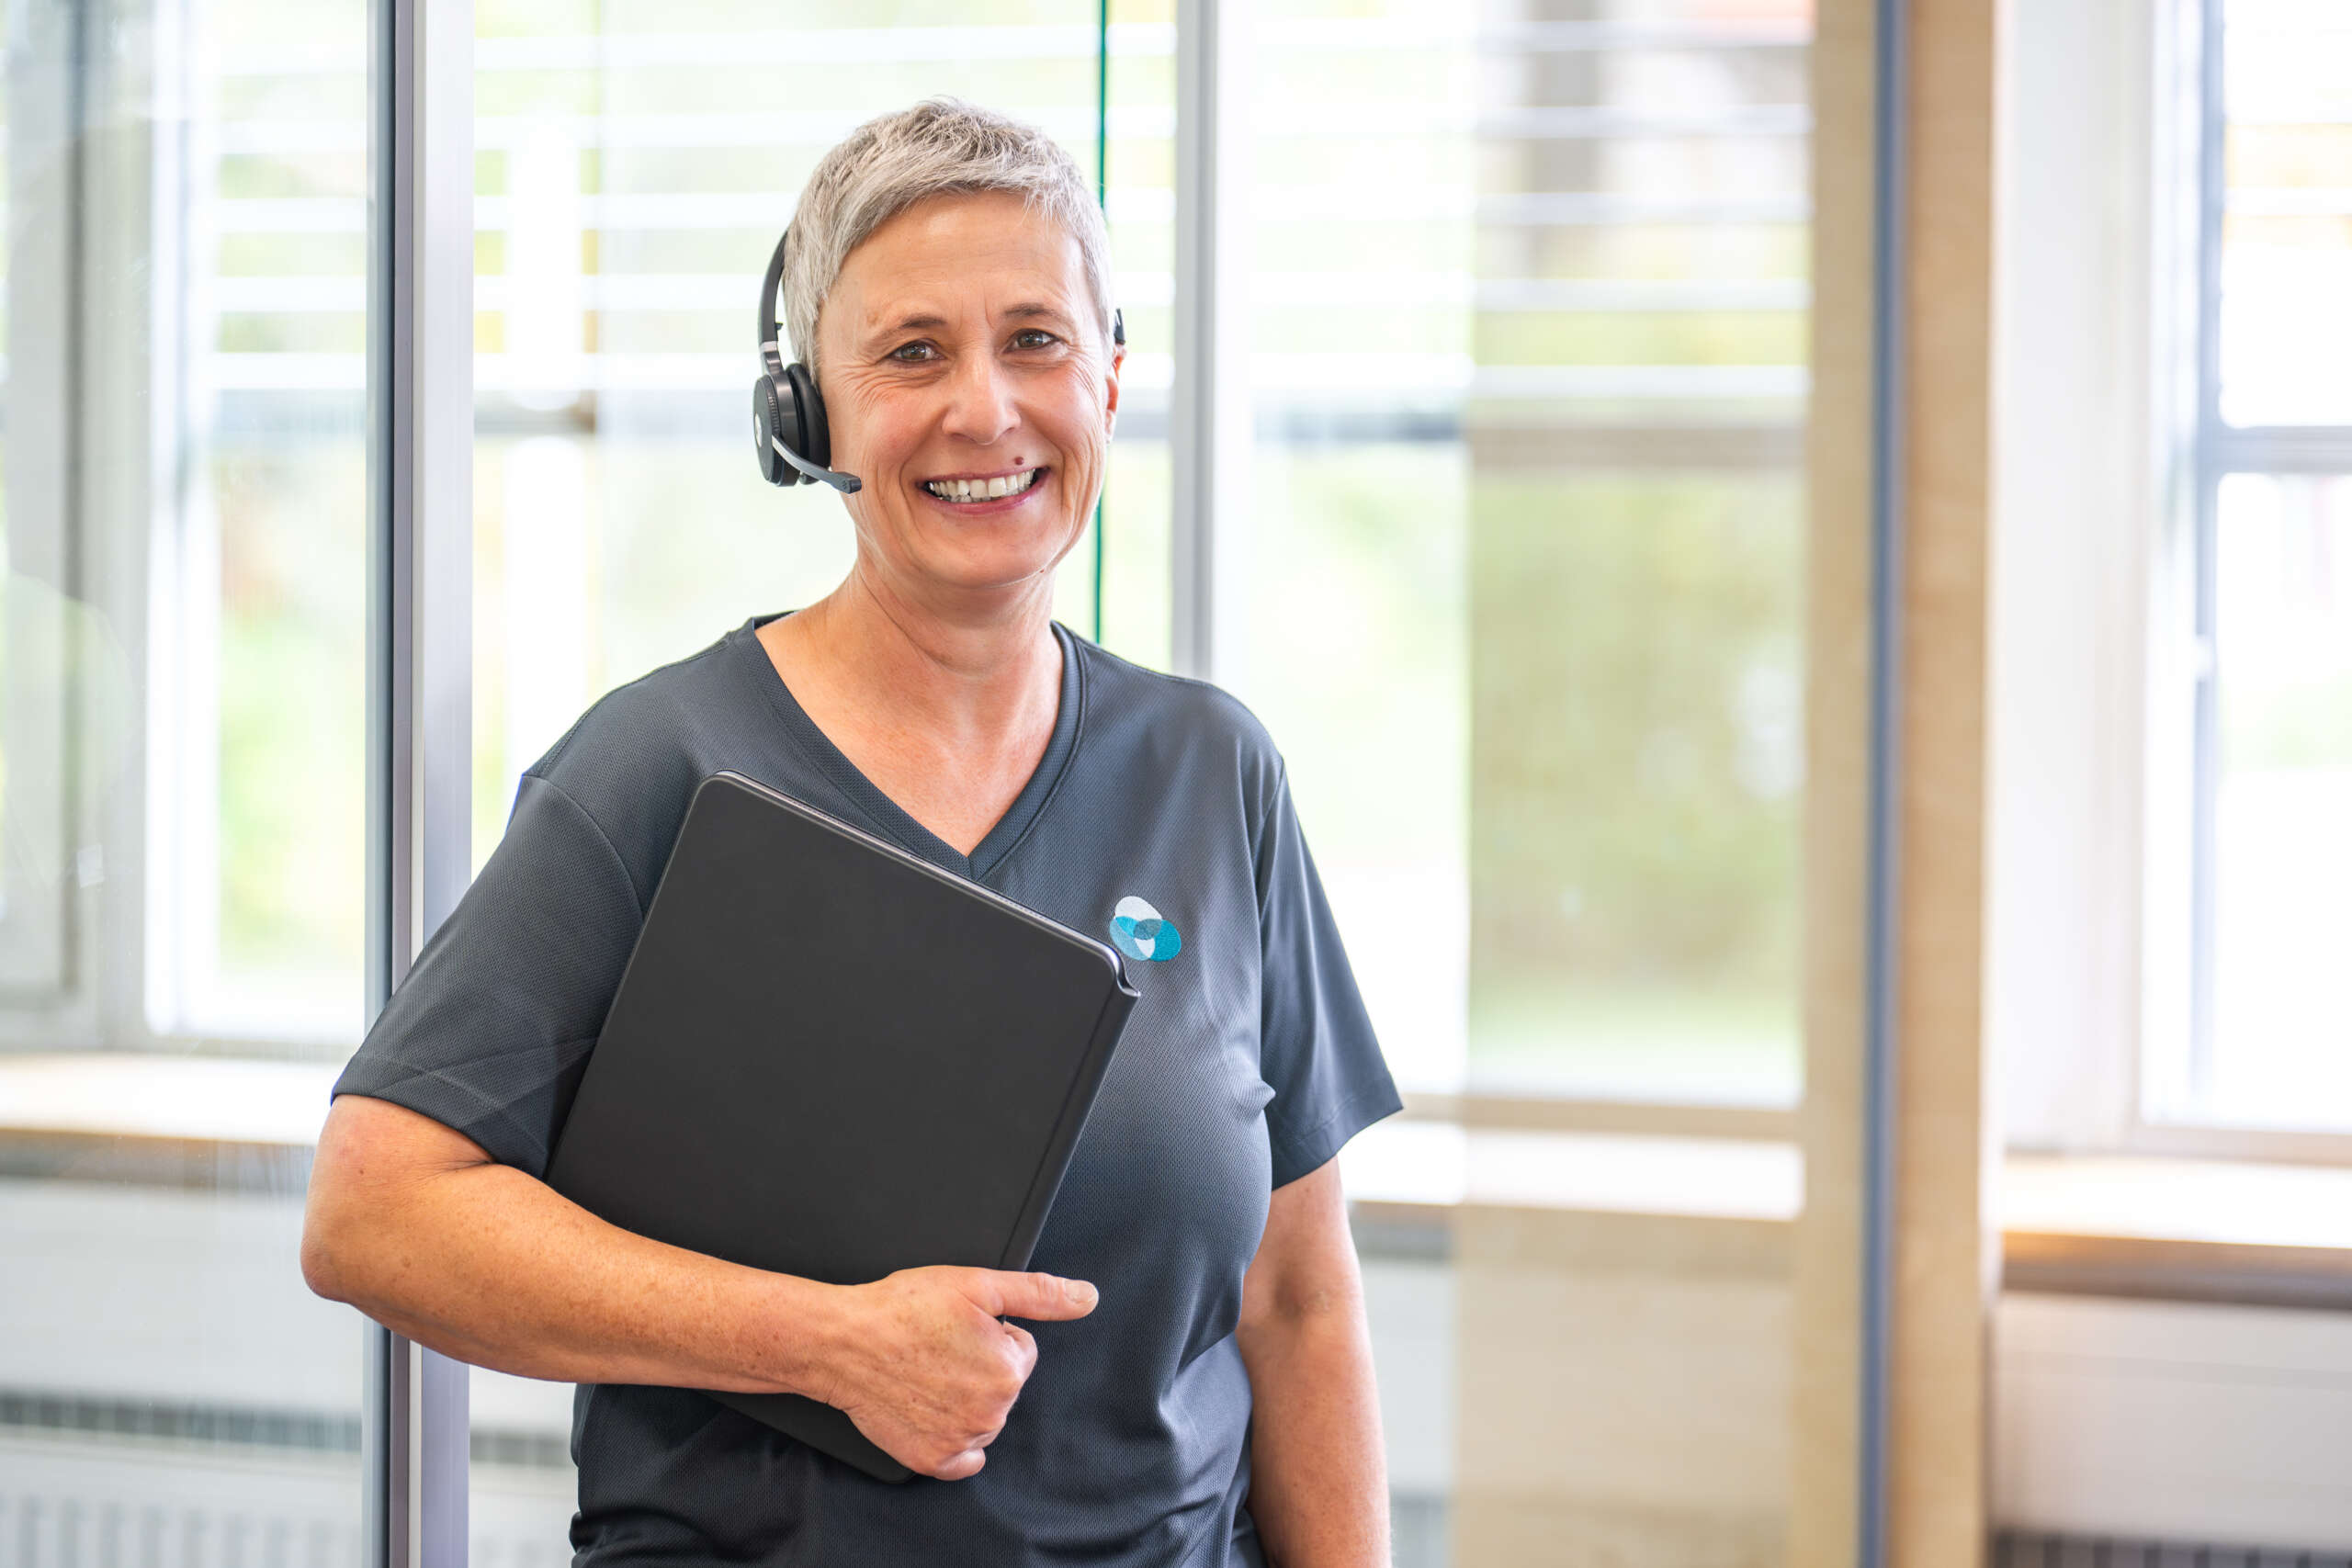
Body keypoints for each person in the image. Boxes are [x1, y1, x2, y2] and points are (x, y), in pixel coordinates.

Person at [300, 96, 1403, 1568]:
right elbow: (376, 1218)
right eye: (912, 354)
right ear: (806, 413)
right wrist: (819, 1342)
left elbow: (1300, 1302)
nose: (986, 413)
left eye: (1035, 341)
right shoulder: (661, 768)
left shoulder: (1213, 771)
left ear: (1112, 380)